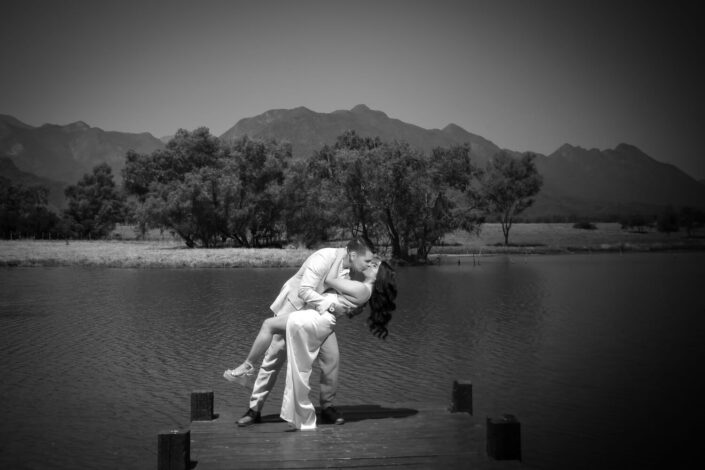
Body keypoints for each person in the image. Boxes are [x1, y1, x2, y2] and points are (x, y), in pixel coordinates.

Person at [225, 254, 397, 429]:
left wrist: (352, 307)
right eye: (369, 261)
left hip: (318, 319)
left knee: (332, 359)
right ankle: (254, 409)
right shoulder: (329, 257)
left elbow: (347, 298)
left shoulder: (351, 274)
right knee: (273, 357)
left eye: (374, 264)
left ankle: (327, 407)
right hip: (296, 309)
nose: (369, 263)